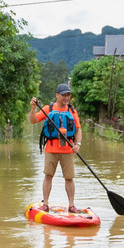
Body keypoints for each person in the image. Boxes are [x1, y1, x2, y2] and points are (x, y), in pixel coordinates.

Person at [30, 83, 82, 211]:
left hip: (67, 150)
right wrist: (33, 109)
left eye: (68, 95)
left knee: (69, 178)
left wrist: (78, 144)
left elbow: (78, 129)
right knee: (48, 176)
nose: (66, 97)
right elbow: (33, 120)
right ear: (57, 95)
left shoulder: (72, 111)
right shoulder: (48, 109)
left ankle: (71, 205)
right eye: (63, 95)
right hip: (51, 149)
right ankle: (45, 204)